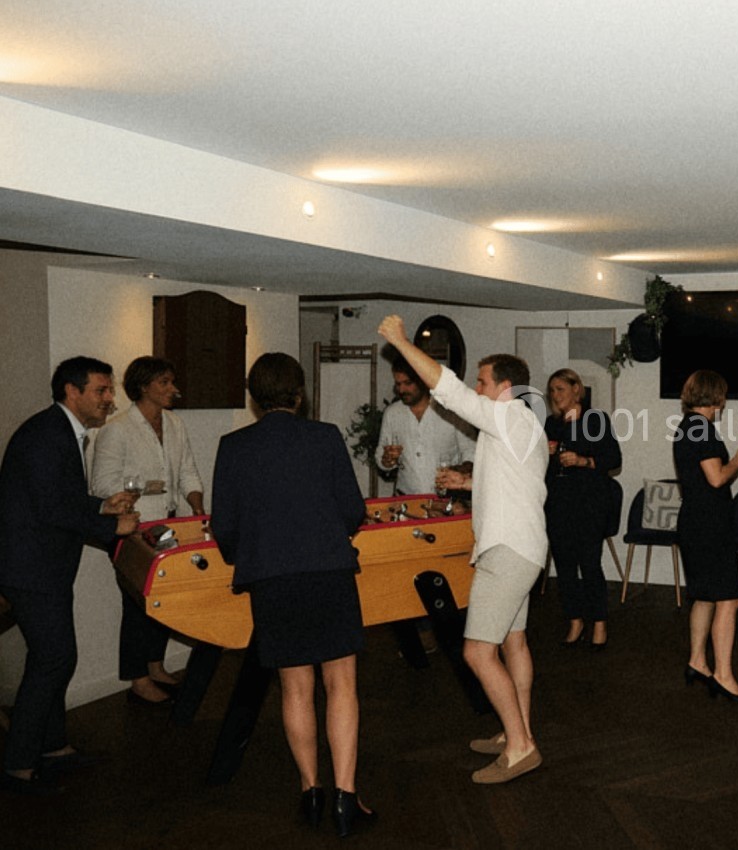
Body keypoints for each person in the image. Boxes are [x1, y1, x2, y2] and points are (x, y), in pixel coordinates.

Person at [378, 315, 548, 785]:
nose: (477, 387)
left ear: (505, 387)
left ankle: (520, 746)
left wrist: (399, 341)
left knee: (476, 652)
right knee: (513, 641)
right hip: (525, 547)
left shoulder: (509, 414)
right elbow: (516, 482)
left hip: (508, 550)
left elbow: (447, 389)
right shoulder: (524, 426)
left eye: (483, 381)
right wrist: (469, 481)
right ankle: (519, 729)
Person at [210, 353, 374, 836]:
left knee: (295, 687)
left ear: (254, 396)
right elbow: (353, 510)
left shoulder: (233, 446)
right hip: (328, 571)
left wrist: (256, 550)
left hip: (272, 579)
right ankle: (346, 797)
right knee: (341, 684)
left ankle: (311, 793)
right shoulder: (324, 437)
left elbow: (225, 527)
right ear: (299, 394)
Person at [0, 357, 139, 795]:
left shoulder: (60, 431)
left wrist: (101, 506)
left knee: (55, 657)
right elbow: (51, 510)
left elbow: (61, 497)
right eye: (101, 390)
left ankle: (54, 746)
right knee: (55, 658)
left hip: (42, 567)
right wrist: (112, 526)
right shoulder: (47, 435)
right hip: (30, 569)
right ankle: (18, 764)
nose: (109, 399)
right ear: (72, 391)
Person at [90, 356, 204, 706]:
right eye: (165, 383)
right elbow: (100, 485)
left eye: (172, 382)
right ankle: (138, 679)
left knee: (162, 602)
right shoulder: (117, 429)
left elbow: (187, 471)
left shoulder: (175, 424)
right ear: (143, 387)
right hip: (132, 530)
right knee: (136, 607)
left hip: (167, 526)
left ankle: (155, 666)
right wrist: (144, 486)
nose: (173, 389)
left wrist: (197, 507)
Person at [672, 370, 738, 701]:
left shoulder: (687, 427)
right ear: (717, 398)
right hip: (709, 525)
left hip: (695, 522)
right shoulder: (701, 429)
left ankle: (696, 660)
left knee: (704, 596)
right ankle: (722, 674)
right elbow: (717, 478)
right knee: (729, 599)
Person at [543, 368, 621, 649]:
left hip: (590, 503)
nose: (555, 395)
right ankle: (574, 619)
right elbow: (541, 467)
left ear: (577, 390)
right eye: (552, 390)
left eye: (561, 389)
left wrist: (583, 461)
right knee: (564, 566)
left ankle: (599, 621)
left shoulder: (595, 419)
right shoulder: (552, 424)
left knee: (589, 564)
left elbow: (613, 458)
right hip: (559, 503)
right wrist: (545, 455)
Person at [377, 355, 476, 496]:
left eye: (408, 383)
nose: (401, 390)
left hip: (447, 498)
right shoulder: (392, 413)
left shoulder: (450, 410)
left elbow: (471, 451)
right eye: (398, 384)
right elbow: (381, 455)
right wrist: (386, 460)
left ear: (423, 381)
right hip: (406, 497)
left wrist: (458, 469)